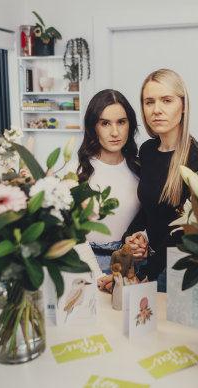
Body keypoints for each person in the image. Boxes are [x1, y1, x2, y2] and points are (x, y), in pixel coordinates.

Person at [124, 69, 198, 292]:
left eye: (166, 100)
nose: (157, 110)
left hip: (183, 271)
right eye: (149, 102)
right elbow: (151, 207)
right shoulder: (148, 150)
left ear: (183, 106)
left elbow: (183, 233)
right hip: (152, 266)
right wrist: (132, 235)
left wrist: (147, 273)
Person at [68, 89, 146, 292]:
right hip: (85, 270)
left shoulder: (140, 170)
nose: (115, 132)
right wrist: (99, 276)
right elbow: (72, 234)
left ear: (130, 124)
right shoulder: (74, 171)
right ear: (93, 127)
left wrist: (142, 242)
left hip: (130, 270)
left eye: (121, 122)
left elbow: (147, 222)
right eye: (105, 123)